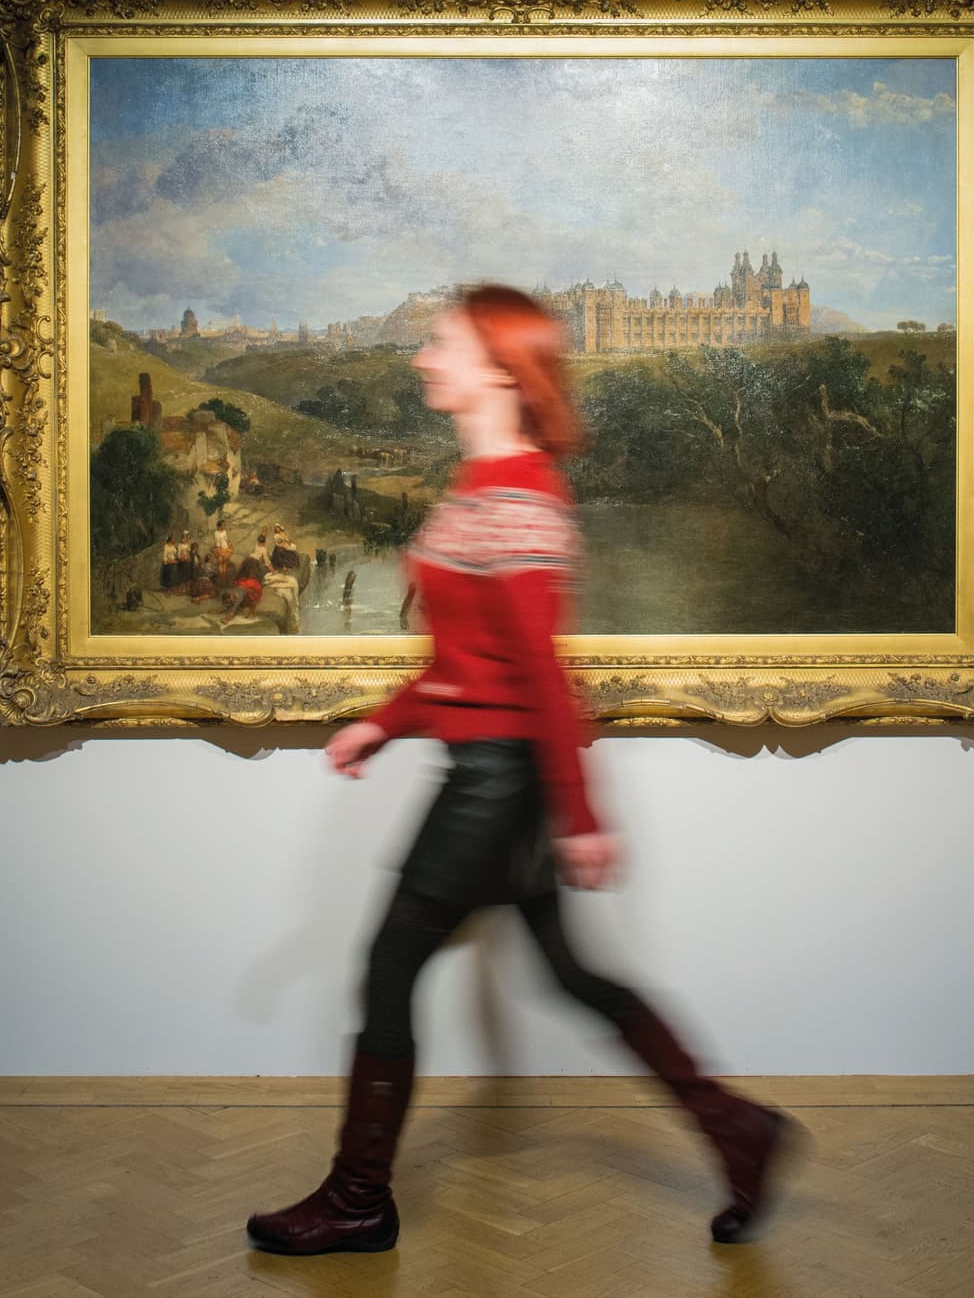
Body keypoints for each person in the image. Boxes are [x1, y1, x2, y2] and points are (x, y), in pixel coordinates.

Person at [245, 285, 803, 1258]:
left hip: (498, 781)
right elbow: (469, 665)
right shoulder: (481, 485)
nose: (422, 355)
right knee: (573, 975)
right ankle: (738, 1127)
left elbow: (544, 675)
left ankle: (357, 1197)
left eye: (440, 342)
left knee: (389, 962)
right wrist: (381, 722)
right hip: (496, 771)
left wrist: (581, 814)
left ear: (499, 367)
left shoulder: (519, 498)